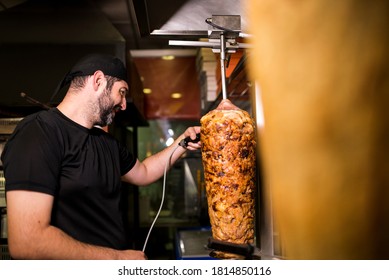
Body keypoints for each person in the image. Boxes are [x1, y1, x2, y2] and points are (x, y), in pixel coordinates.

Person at [1, 53, 201, 260]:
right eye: (121, 92)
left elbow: (145, 172)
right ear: (98, 81)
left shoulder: (106, 142)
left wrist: (182, 142)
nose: (124, 104)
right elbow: (28, 242)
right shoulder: (39, 132)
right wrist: (118, 259)